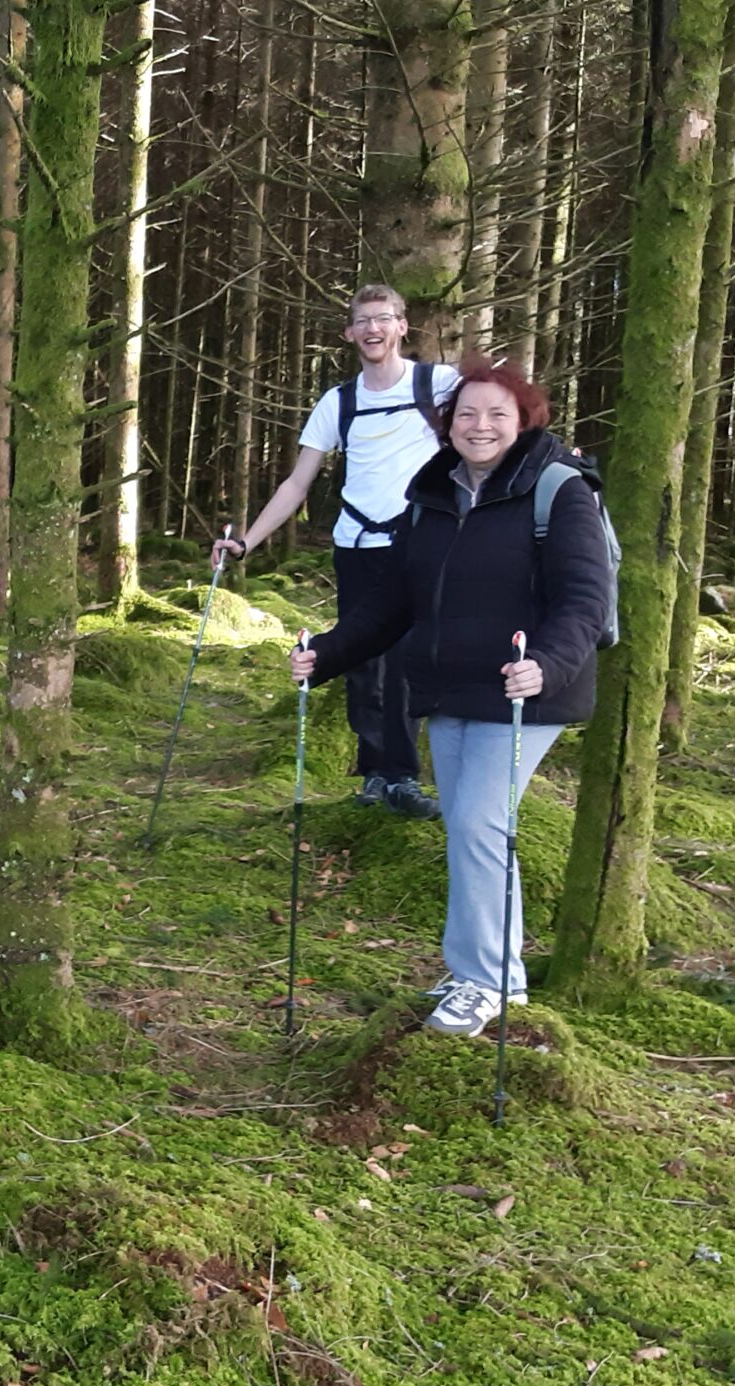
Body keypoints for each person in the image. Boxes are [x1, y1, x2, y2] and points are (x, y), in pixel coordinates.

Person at [291, 356, 613, 1036]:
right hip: (450, 688)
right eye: (466, 413)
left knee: (477, 823)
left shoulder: (559, 489)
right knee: (476, 829)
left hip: (525, 689)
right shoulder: (432, 494)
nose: (480, 425)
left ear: (523, 420)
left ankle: (482, 980)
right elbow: (391, 602)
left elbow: (587, 598)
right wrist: (326, 652)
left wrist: (548, 666)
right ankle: (499, 974)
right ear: (447, 422)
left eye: (498, 413)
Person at [217, 285, 459, 820]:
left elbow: (496, 422)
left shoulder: (439, 385)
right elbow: (296, 483)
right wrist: (245, 543)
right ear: (350, 333)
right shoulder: (339, 402)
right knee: (358, 659)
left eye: (384, 319)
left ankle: (402, 777)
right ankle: (374, 773)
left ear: (402, 325)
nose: (373, 329)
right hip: (356, 547)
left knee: (404, 661)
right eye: (363, 321)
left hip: (416, 546)